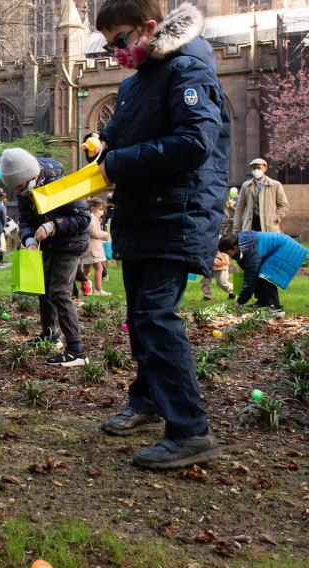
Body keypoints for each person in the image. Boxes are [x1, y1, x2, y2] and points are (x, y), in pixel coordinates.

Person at [88, 1, 230, 469]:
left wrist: (119, 162)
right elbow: (124, 139)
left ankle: (190, 430)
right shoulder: (138, 83)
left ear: (150, 28)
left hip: (179, 214)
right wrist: (105, 147)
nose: (115, 51)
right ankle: (148, 401)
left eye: (122, 40)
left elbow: (194, 143)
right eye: (109, 44)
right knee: (140, 315)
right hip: (144, 215)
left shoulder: (188, 70)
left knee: (155, 316)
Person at [3, 148, 91, 367]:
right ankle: (49, 334)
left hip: (70, 242)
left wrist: (53, 226)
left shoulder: (62, 184)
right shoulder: (25, 189)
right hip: (48, 243)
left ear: (30, 177)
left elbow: (83, 218)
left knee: (60, 292)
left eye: (20, 186)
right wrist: (29, 238)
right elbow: (25, 219)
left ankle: (76, 349)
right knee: (44, 289)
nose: (18, 191)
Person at [219, 232, 307, 316]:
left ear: (234, 247)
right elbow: (248, 270)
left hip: (287, 248)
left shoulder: (248, 250)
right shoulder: (240, 243)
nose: (229, 256)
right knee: (259, 272)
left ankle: (275, 307)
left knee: (266, 275)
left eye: (228, 253)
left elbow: (251, 278)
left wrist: (241, 301)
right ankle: (263, 302)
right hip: (282, 246)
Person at [234, 158, 288, 234]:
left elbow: (284, 205)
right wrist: (236, 229)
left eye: (259, 168)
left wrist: (275, 218)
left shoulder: (275, 185)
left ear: (265, 168)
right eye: (254, 168)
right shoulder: (246, 186)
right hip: (250, 225)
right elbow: (239, 208)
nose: (256, 170)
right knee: (251, 245)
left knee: (268, 245)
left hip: (269, 226)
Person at [80, 197, 111, 296]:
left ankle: (84, 288)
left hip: (89, 248)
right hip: (93, 249)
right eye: (100, 209)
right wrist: (105, 234)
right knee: (99, 268)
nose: (102, 212)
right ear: (93, 208)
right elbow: (93, 232)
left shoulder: (92, 217)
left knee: (87, 269)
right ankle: (98, 290)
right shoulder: (92, 218)